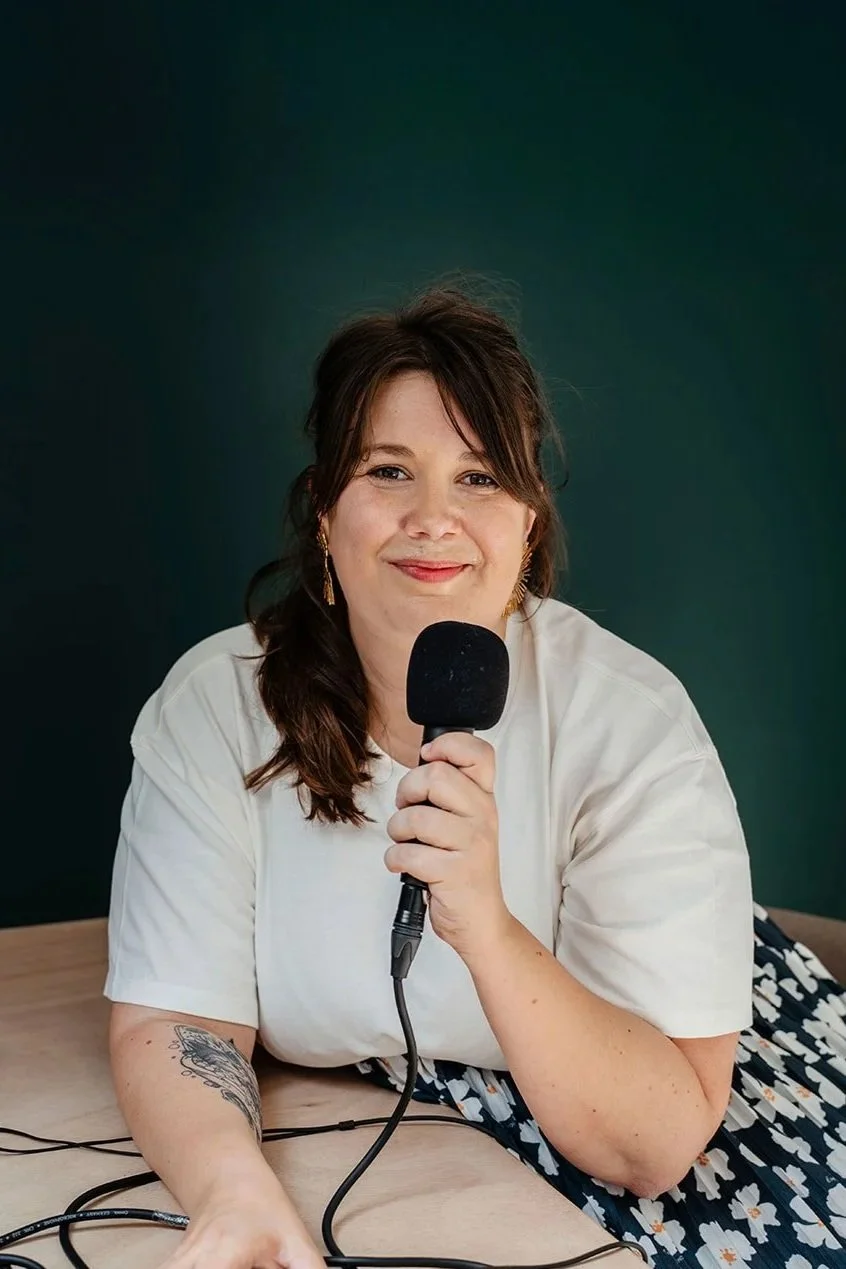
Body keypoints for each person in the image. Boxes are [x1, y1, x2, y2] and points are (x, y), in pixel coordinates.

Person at [104, 288, 846, 1269]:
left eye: (479, 478)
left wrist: (485, 929)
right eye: (388, 470)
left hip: (627, 1059)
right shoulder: (213, 706)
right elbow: (176, 1018)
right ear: (325, 515)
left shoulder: (631, 722)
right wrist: (232, 1196)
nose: (432, 519)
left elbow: (653, 1142)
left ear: (529, 529)